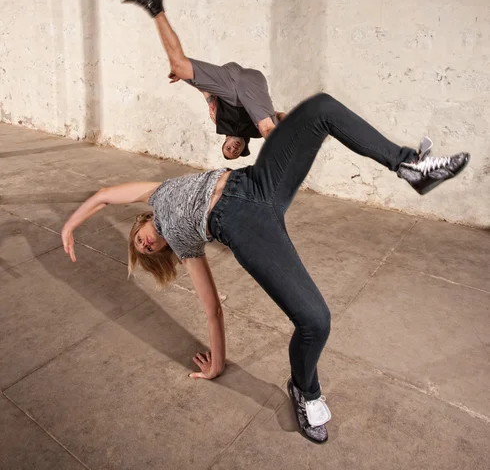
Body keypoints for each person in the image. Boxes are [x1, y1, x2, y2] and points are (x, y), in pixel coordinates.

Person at [61, 93, 469, 444]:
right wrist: (217, 364)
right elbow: (212, 311)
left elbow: (103, 196)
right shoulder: (186, 247)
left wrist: (70, 223)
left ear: (140, 223)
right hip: (243, 224)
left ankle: (410, 166)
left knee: (321, 107)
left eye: (138, 241)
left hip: (258, 182)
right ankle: (305, 392)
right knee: (316, 321)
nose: (145, 245)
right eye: (147, 252)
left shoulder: (158, 192)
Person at [122, 0, 285, 160]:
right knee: (267, 130)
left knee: (178, 66)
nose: (233, 149)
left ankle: (155, 7)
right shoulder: (255, 130)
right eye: (236, 152)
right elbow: (278, 115)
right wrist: (287, 118)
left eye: (228, 149)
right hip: (250, 86)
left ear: (225, 140)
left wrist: (186, 76)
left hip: (227, 90)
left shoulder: (218, 120)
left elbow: (206, 92)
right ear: (244, 147)